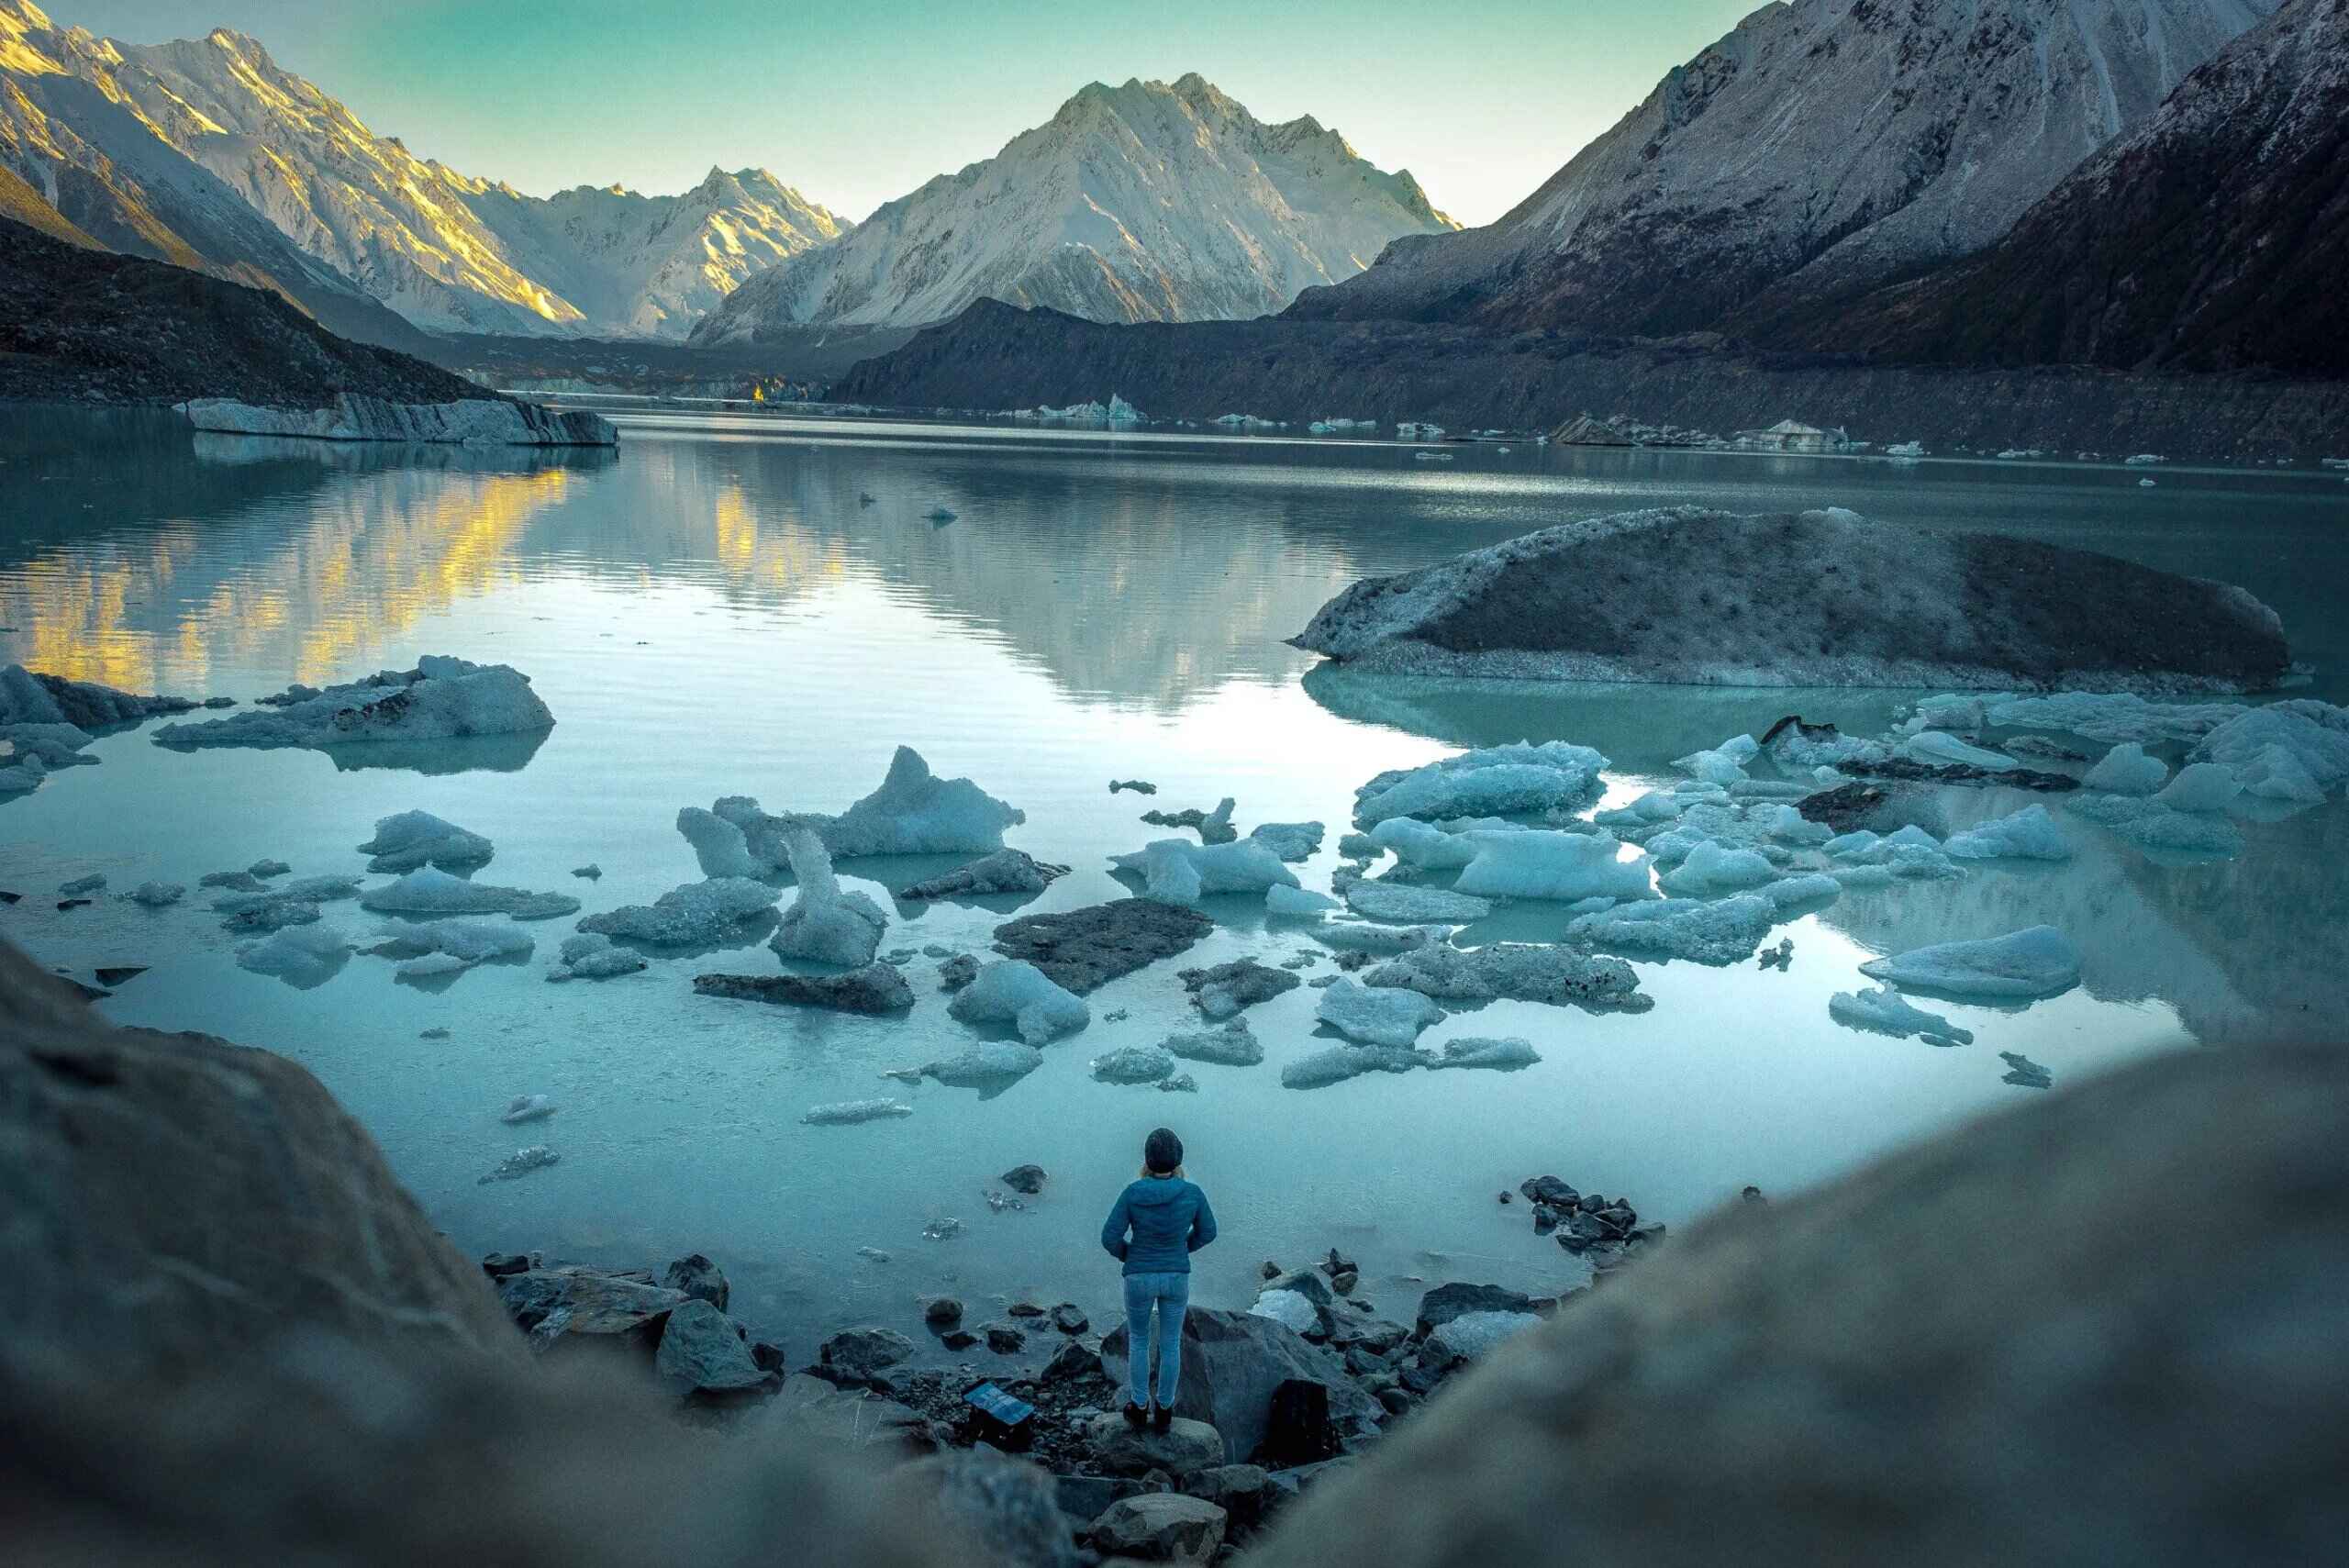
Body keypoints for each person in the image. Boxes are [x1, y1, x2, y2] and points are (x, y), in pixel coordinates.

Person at [1099, 1127, 1217, 1432]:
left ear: (1147, 1160)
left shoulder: (1132, 1193)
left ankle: (1139, 1407)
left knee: (1139, 1342)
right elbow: (1209, 1232)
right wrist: (1182, 1249)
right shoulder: (1192, 1193)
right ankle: (1165, 1410)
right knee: (1170, 1344)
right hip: (1176, 1276)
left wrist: (1131, 1255)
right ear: (1178, 1159)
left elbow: (1110, 1237)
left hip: (1139, 1276)